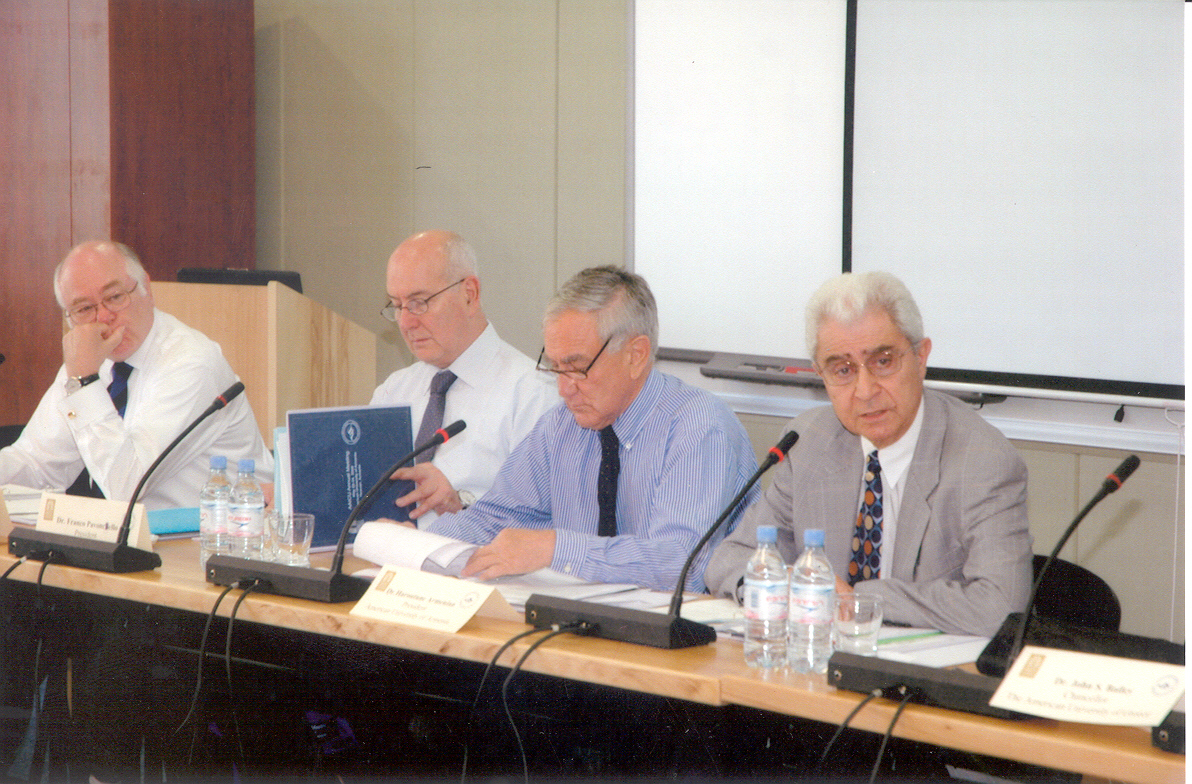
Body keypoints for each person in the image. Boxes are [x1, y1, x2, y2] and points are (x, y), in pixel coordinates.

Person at [704, 271, 1032, 635]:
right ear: (821, 375)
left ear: (921, 357)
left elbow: (1001, 606)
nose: (864, 390)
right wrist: (781, 583)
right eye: (842, 370)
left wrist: (857, 600)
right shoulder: (807, 442)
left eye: (883, 362)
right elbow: (730, 559)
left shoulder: (983, 461)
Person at [425, 266, 759, 592]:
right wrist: (413, 544)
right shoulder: (560, 427)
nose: (563, 389)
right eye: (556, 367)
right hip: (584, 618)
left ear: (636, 355)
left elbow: (681, 563)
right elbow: (492, 520)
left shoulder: (700, 427)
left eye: (577, 367)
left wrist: (556, 549)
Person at [0, 240, 272, 510]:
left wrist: (84, 383)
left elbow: (128, 487)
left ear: (146, 289)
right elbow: (36, 463)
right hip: (127, 532)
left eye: (114, 297)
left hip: (214, 532)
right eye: (84, 309)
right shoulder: (89, 362)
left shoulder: (190, 362)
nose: (103, 317)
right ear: (69, 319)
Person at [370, 230, 557, 526]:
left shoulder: (534, 394)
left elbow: (545, 525)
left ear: (470, 294)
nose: (405, 322)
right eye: (397, 305)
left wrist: (459, 506)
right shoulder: (393, 391)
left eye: (419, 302)